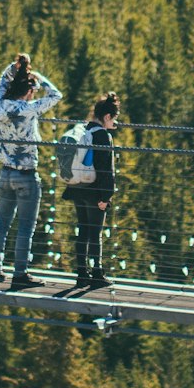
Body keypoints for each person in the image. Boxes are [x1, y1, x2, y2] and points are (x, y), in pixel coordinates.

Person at [0, 53, 62, 291]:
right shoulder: (30, 109)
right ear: (29, 91)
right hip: (27, 174)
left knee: (2, 223)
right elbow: (57, 95)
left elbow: (1, 81)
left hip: (5, 173)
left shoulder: (0, 106)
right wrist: (38, 76)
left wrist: (14, 69)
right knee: (26, 226)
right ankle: (20, 273)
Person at [63, 91, 120, 288]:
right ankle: (97, 273)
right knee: (96, 232)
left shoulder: (83, 131)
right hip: (95, 191)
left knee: (83, 230)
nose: (115, 123)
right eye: (114, 119)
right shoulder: (103, 136)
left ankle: (81, 273)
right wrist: (107, 196)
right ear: (106, 117)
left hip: (77, 187)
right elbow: (106, 170)